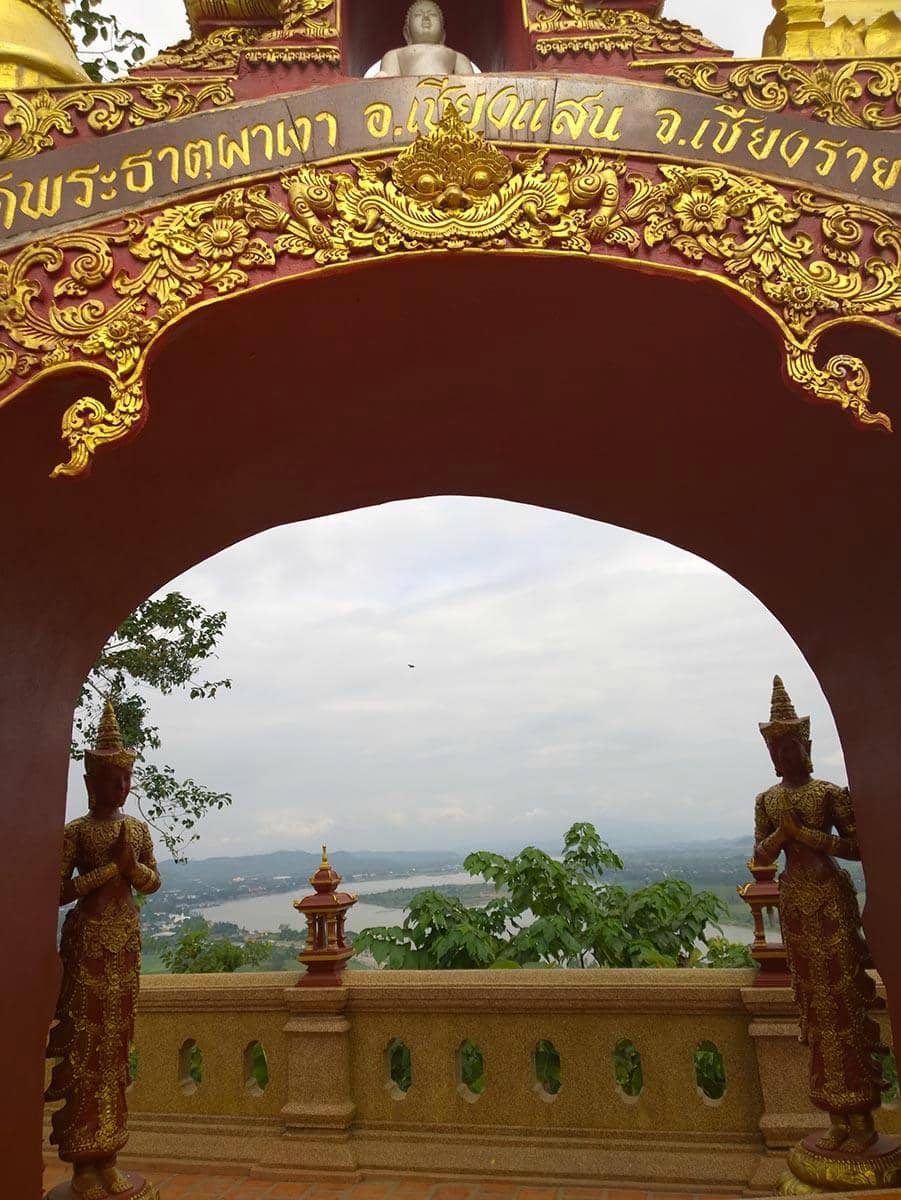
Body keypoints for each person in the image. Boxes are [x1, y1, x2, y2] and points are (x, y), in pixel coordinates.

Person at [754, 676, 884, 1155]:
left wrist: (808, 838)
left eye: (794, 747)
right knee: (814, 1007)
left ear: (805, 747)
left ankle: (863, 1117)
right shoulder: (767, 800)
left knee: (845, 1002)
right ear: (774, 755)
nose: (787, 757)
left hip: (829, 897)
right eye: (780, 751)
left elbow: (856, 846)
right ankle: (836, 1115)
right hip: (796, 902)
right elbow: (762, 859)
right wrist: (781, 836)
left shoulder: (828, 793)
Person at [46, 701, 160, 1199]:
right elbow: (59, 891)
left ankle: (109, 1155)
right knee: (86, 1049)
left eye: (126, 780)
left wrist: (132, 870)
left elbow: (153, 882)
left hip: (124, 948)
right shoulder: (76, 833)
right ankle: (82, 1167)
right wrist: (111, 871)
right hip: (88, 944)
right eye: (114, 780)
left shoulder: (135, 830)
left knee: (116, 1050)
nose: (122, 789)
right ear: (93, 783)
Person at [377, 0, 474, 77]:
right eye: (418, 15)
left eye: (433, 15)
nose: (426, 17)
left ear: (443, 34)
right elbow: (389, 86)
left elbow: (471, 85)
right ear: (407, 33)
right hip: (410, 98)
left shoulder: (457, 57)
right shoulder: (395, 55)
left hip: (444, 96)